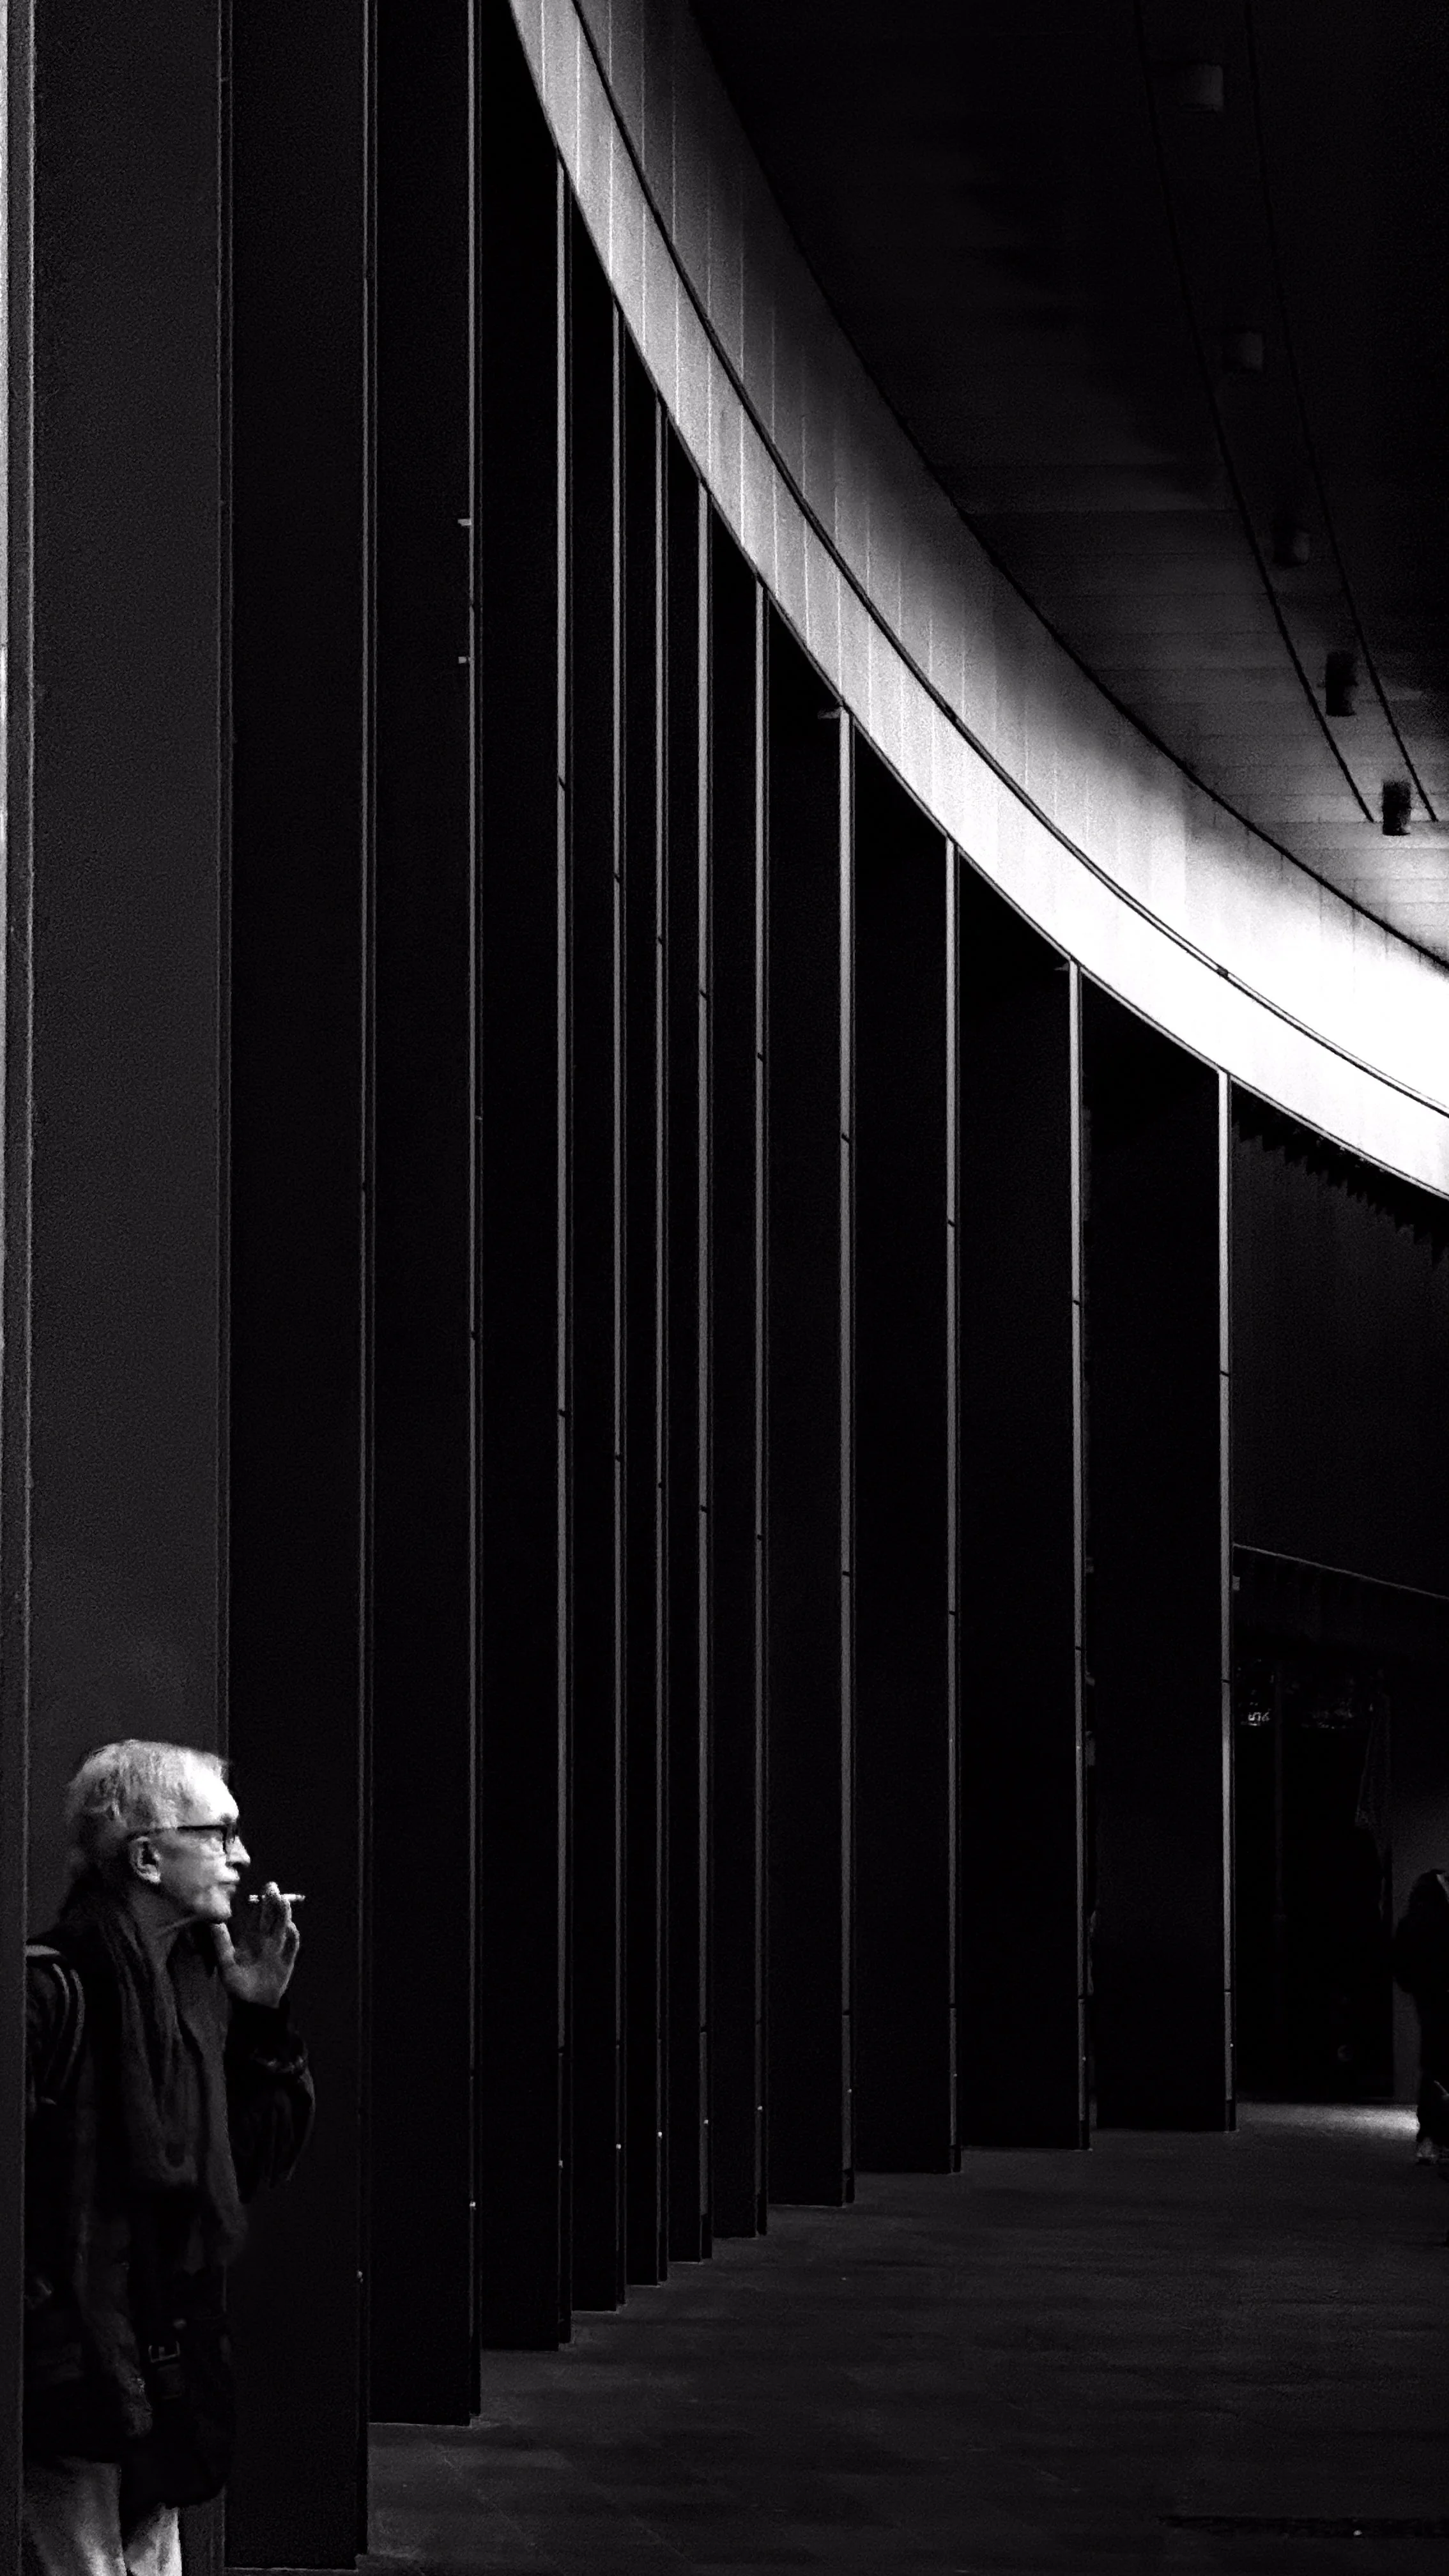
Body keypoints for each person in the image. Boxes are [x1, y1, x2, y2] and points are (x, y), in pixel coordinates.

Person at [23, 1740, 314, 2576]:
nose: (242, 1857)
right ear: (147, 1857)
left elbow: (253, 2164)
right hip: (72, 2360)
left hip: (164, 2354)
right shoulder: (52, 1990)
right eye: (218, 1835)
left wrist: (261, 2017)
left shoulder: (187, 1992)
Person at [1390, 1867, 1449, 2166]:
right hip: (1439, 1995)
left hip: (1428, 1997)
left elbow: (1401, 1965)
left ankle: (1430, 2136)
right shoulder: (1440, 1922)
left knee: (1434, 2062)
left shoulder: (1412, 1922)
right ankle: (1438, 2137)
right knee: (1440, 2064)